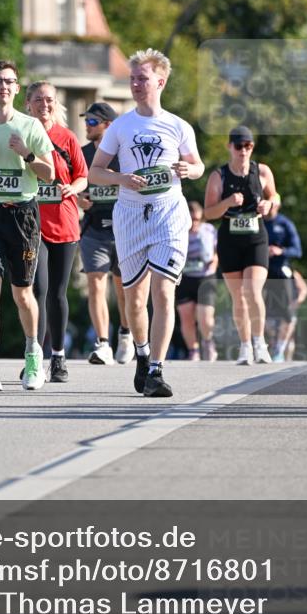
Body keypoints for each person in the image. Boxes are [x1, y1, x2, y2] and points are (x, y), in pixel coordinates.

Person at [89, 48, 205, 398]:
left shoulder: (178, 126)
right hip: (130, 215)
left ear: (160, 81)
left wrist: (190, 170)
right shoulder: (121, 126)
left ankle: (156, 369)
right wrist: (122, 179)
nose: (137, 84)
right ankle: (141, 354)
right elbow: (95, 172)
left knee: (164, 290)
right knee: (135, 299)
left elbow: (198, 166)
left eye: (143, 78)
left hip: (169, 211)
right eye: (133, 78)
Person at [0, 61, 54, 393]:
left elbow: (51, 175)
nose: (3, 86)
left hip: (23, 214)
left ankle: (33, 355)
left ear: (17, 89)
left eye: (9, 81)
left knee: (22, 293)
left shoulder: (30, 125)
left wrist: (28, 155)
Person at [26, 81, 88, 383]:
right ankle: (34, 356)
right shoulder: (22, 136)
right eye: (38, 100)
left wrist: (70, 188)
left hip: (64, 223)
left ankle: (59, 357)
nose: (44, 105)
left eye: (49, 100)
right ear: (28, 104)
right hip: (31, 225)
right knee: (36, 290)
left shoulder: (67, 138)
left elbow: (83, 178)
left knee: (57, 294)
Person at [203, 126, 277, 366]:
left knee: (252, 290)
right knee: (238, 296)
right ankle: (245, 346)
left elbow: (275, 196)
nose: (243, 151)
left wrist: (269, 205)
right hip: (229, 237)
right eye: (238, 146)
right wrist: (227, 202)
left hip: (256, 236)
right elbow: (208, 212)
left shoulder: (262, 171)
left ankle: (260, 343)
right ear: (230, 147)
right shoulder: (219, 176)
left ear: (252, 148)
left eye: (247, 146)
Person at [77, 102, 133, 367]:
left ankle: (125, 333)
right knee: (96, 284)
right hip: (93, 229)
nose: (86, 126)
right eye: (86, 121)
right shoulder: (83, 153)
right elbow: (74, 183)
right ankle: (102, 343)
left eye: (92, 122)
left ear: (108, 126)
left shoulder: (124, 154)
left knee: (122, 288)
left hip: (123, 229)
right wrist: (79, 198)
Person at [176, 201, 218, 361]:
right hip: (185, 277)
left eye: (197, 219)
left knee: (205, 317)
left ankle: (208, 341)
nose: (194, 223)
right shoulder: (179, 230)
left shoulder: (209, 230)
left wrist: (213, 265)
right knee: (186, 316)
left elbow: (216, 254)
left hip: (205, 277)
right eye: (191, 219)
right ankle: (193, 350)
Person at [263, 199, 303, 360]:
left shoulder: (285, 224)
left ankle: (280, 350)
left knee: (287, 314)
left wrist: (280, 251)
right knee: (259, 313)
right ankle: (263, 346)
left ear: (278, 205)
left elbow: (298, 250)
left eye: (273, 204)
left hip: (281, 272)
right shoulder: (256, 222)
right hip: (261, 271)